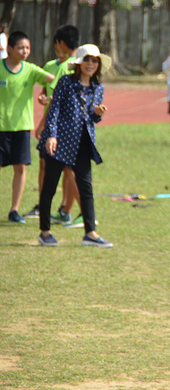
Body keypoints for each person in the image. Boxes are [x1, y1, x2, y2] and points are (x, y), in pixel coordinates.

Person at [37, 44, 113, 247]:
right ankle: (45, 231)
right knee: (50, 188)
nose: (91, 64)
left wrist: (97, 114)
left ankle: (91, 233)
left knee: (86, 189)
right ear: (79, 63)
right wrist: (51, 136)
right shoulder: (65, 82)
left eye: (95, 60)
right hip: (60, 143)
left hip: (83, 144)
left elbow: (91, 119)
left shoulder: (98, 87)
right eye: (87, 60)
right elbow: (53, 111)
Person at [24, 25, 82, 228]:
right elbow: (48, 95)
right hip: (59, 124)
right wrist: (42, 98)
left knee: (65, 168)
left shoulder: (74, 67)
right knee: (56, 167)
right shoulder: (51, 65)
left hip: (59, 125)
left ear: (61, 43)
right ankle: (64, 210)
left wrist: (41, 125)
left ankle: (83, 211)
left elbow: (57, 101)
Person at [0, 31, 54, 224]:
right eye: (21, 48)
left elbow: (53, 79)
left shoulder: (30, 69)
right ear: (10, 49)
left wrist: (44, 95)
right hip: (1, 127)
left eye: (28, 48)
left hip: (22, 127)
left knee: (20, 168)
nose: (25, 51)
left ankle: (14, 210)